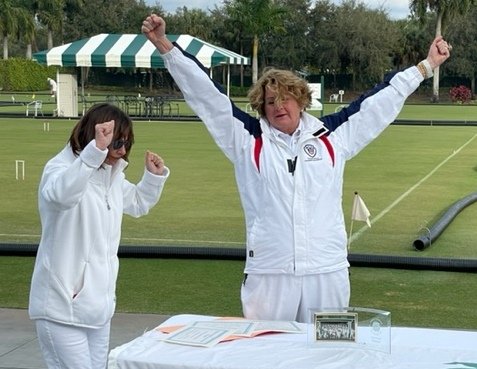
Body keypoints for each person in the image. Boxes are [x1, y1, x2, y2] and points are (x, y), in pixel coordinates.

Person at [142, 14, 451, 323]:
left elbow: (380, 101)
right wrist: (165, 46)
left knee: (329, 354)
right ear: (261, 107)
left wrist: (425, 66)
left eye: (286, 98)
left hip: (327, 271)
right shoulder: (245, 139)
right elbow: (206, 96)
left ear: (301, 100)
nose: (279, 106)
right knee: (266, 354)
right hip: (269, 273)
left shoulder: (334, 135)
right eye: (271, 101)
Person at [28, 102, 170, 368]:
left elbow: (138, 203)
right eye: (117, 142)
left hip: (98, 310)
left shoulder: (110, 176)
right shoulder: (59, 168)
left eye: (126, 143)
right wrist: (94, 153)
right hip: (60, 308)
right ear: (94, 135)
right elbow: (61, 196)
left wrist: (153, 177)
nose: (122, 151)